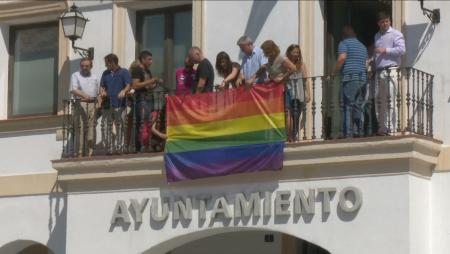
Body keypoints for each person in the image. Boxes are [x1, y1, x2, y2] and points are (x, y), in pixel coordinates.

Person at [373, 11, 405, 135]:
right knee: (379, 101)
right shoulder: (376, 36)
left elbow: (402, 50)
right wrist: (373, 60)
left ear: (390, 21)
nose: (385, 23)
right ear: (378, 23)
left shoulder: (396, 34)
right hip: (379, 71)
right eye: (383, 22)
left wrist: (385, 50)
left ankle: (392, 129)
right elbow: (378, 53)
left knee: (391, 100)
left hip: (391, 70)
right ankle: (382, 128)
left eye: (387, 21)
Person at [333, 25, 368, 138]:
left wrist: (334, 72)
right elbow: (366, 64)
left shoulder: (344, 43)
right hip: (362, 79)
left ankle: (347, 133)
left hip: (350, 78)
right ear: (354, 34)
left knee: (347, 106)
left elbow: (342, 58)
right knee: (358, 106)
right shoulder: (362, 46)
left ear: (343, 35)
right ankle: (359, 131)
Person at [130, 50, 163, 152]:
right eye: (149, 59)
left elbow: (148, 85)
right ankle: (138, 147)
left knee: (148, 123)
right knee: (141, 123)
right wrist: (151, 81)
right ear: (143, 59)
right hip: (141, 100)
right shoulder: (137, 70)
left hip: (149, 99)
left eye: (151, 59)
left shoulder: (148, 71)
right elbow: (135, 85)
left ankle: (147, 144)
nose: (151, 62)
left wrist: (156, 83)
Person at [99, 53, 131, 153]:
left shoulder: (124, 72)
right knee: (105, 126)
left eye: (107, 64)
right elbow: (101, 86)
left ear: (113, 63)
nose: (105, 66)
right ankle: (109, 147)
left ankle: (119, 147)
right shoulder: (105, 73)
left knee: (120, 125)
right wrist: (102, 91)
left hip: (120, 104)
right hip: (107, 104)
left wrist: (124, 91)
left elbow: (128, 85)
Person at [70, 58, 99, 157]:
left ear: (91, 66)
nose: (84, 68)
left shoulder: (95, 76)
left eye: (86, 66)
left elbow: (98, 90)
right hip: (80, 103)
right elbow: (74, 89)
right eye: (82, 66)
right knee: (80, 128)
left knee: (91, 128)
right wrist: (84, 95)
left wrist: (100, 98)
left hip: (93, 104)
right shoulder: (75, 75)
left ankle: (90, 151)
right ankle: (80, 152)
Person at [285, 44, 311, 142]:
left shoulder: (302, 65)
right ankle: (289, 136)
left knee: (296, 116)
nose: (296, 54)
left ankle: (293, 136)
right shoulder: (285, 64)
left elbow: (306, 80)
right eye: (294, 52)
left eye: (297, 52)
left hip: (299, 94)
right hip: (289, 92)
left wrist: (308, 93)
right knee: (288, 114)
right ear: (289, 53)